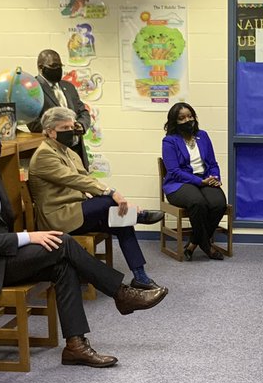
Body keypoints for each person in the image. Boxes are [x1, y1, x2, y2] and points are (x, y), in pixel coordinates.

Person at [0, 112, 168, 368]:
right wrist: (28, 237)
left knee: (64, 264)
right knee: (64, 242)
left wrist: (26, 240)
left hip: (0, 256)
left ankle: (75, 346)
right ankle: (121, 293)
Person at [28, 106, 165, 289]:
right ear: (51, 132)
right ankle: (138, 216)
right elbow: (75, 180)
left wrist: (115, 198)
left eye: (72, 126)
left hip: (77, 210)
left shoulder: (68, 151)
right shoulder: (44, 155)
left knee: (122, 222)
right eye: (65, 128)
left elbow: (87, 178)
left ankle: (140, 276)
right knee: (109, 201)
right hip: (59, 217)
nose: (71, 131)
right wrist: (111, 193)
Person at [161, 102, 227, 261]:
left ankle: (193, 243)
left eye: (190, 116)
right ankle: (207, 247)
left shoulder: (203, 136)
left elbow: (212, 163)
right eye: (182, 118)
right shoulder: (169, 141)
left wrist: (215, 178)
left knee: (219, 203)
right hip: (178, 184)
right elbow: (174, 171)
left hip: (204, 179)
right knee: (198, 203)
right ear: (174, 121)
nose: (187, 120)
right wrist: (200, 182)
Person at [27, 49, 92, 169]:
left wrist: (81, 125)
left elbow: (83, 112)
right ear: (41, 67)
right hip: (53, 152)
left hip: (77, 151)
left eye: (60, 65)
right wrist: (62, 130)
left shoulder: (69, 87)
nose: (58, 69)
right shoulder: (32, 89)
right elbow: (32, 122)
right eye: (53, 66)